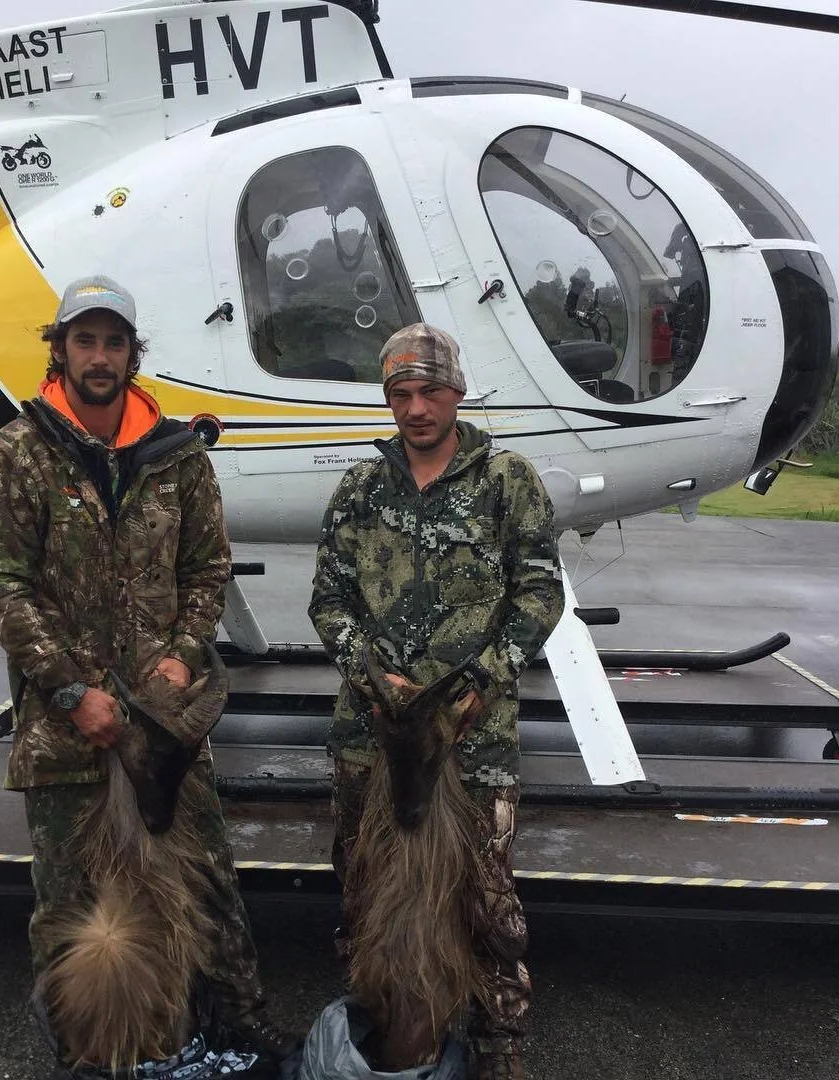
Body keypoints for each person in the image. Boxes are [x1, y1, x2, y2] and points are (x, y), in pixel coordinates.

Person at [0, 275, 294, 1066]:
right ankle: (81, 1046)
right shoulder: (18, 453)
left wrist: (181, 658)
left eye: (114, 343)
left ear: (131, 355)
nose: (100, 357)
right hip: (63, 728)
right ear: (60, 350)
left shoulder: (178, 457)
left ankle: (238, 1023)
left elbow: (206, 570)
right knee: (70, 899)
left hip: (164, 724)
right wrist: (69, 691)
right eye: (85, 340)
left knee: (205, 880)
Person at [307, 323, 565, 1080]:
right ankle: (382, 1034)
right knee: (366, 890)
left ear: (457, 392)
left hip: (473, 742)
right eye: (401, 394)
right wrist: (369, 675)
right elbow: (328, 598)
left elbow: (540, 591)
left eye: (430, 391)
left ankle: (497, 1047)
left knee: (486, 902)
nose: (416, 408)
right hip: (372, 737)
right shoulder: (360, 488)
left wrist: (483, 680)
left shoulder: (507, 481)